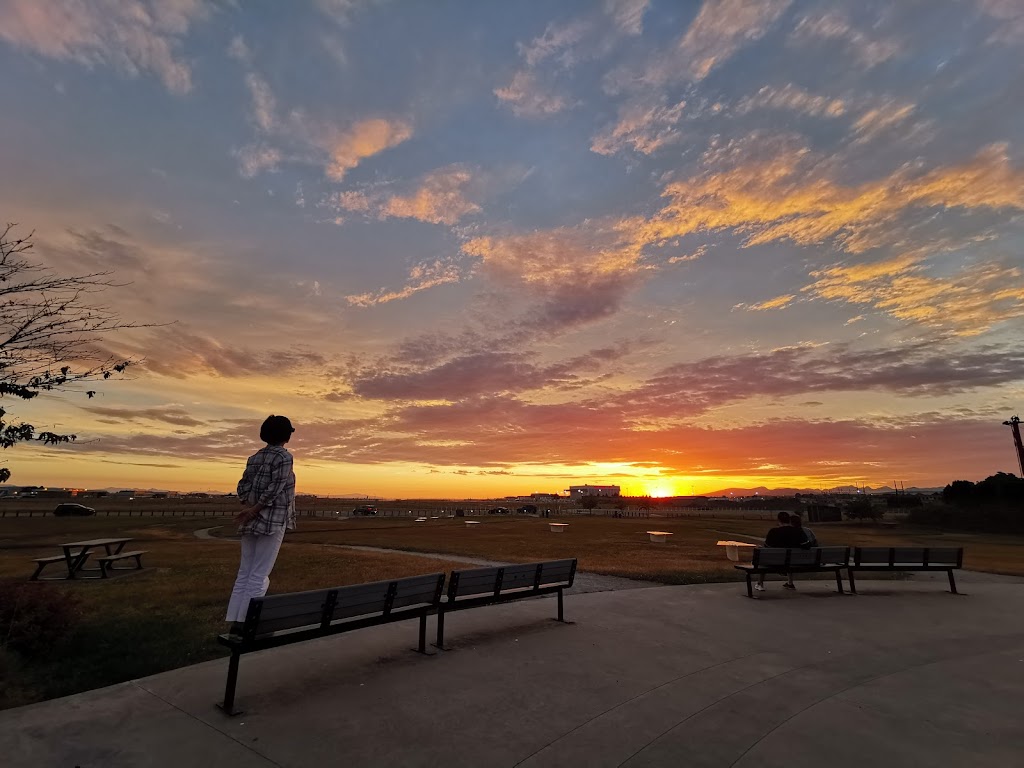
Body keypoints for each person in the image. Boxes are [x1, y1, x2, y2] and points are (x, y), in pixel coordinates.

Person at [225, 415, 297, 634]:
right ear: (286, 435)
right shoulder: (284, 456)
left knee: (245, 571)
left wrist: (249, 507)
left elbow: (242, 486)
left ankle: (236, 621)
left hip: (250, 520)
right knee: (258, 574)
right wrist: (256, 509)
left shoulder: (254, 457)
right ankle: (249, 624)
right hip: (272, 520)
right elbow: (276, 488)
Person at [755, 511, 805, 592]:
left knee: (763, 557)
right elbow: (806, 545)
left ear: (779, 520)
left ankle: (760, 584)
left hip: (775, 561)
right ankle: (790, 583)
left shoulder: (773, 531)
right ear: (789, 520)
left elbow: (767, 547)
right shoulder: (798, 531)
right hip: (794, 561)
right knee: (789, 556)